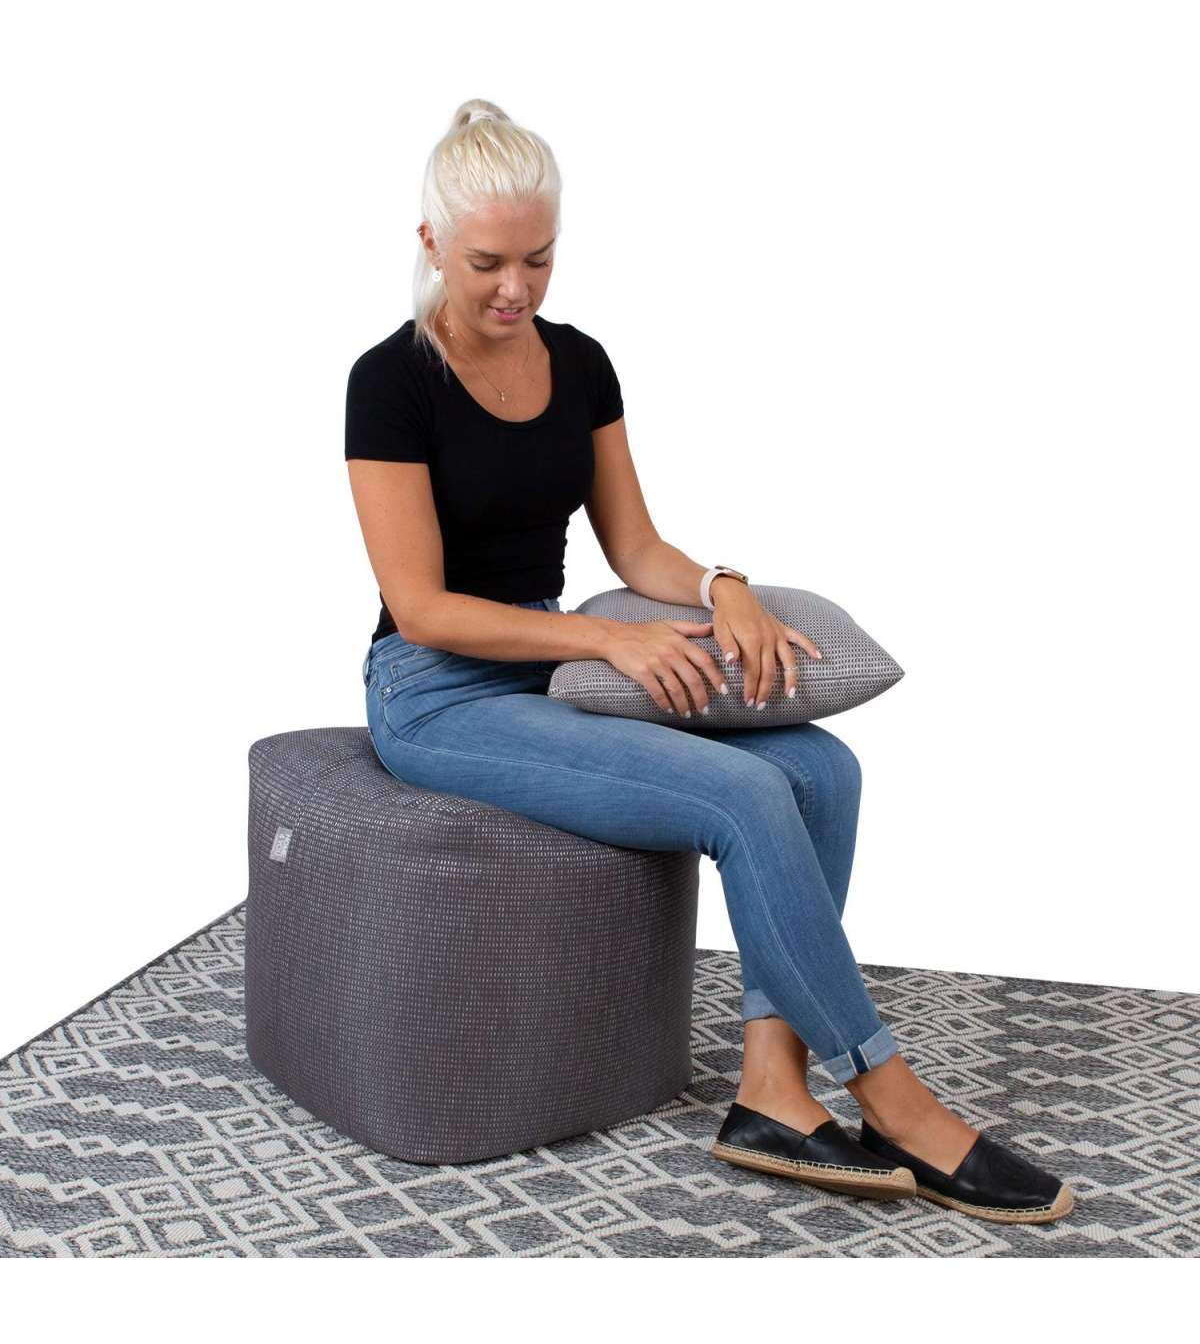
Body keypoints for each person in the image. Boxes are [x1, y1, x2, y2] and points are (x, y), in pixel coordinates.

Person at [343, 99, 1074, 1223]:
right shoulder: (390, 380)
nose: (516, 288)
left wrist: (724, 585)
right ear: (432, 241)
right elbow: (424, 607)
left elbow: (635, 545)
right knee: (743, 792)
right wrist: (606, 636)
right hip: (436, 693)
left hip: (552, 672)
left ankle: (773, 1086)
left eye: (539, 258)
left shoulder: (581, 363)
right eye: (488, 262)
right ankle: (893, 1095)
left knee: (821, 768)